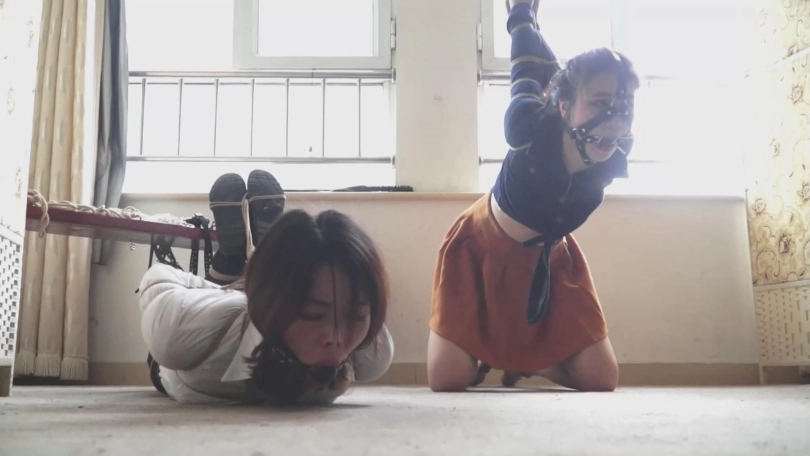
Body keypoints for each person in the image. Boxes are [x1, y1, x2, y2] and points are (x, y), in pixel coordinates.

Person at [427, 0, 639, 392]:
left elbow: (557, 73)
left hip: (550, 258)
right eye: (600, 102)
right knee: (448, 379)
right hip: (482, 247)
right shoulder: (528, 125)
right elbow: (527, 69)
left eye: (624, 106)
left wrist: (540, 32)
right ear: (563, 107)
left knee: (602, 379)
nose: (615, 118)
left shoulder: (613, 155)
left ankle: (525, 365)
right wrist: (522, 15)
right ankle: (491, 357)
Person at [140, 171, 394, 405]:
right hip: (209, 330)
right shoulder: (179, 330)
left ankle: (246, 264)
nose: (336, 337)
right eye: (314, 315)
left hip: (260, 296)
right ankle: (233, 269)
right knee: (220, 303)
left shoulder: (372, 351)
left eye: (355, 316)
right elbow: (159, 279)